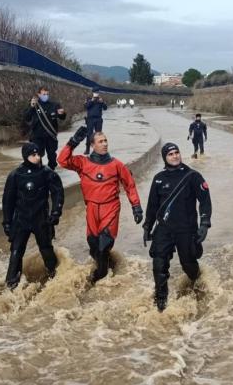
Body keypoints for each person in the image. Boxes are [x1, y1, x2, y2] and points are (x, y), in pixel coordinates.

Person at [58, 126, 143, 283]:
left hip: (110, 208)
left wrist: (136, 207)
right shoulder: (82, 163)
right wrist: (73, 142)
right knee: (94, 248)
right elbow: (62, 161)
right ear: (92, 145)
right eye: (100, 141)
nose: (104, 144)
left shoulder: (117, 165)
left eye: (106, 141)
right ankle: (107, 266)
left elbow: (130, 185)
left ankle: (98, 278)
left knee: (103, 247)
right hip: (91, 208)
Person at [142, 143, 212, 311]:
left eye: (176, 153)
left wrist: (204, 224)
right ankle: (161, 301)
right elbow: (152, 205)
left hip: (186, 229)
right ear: (165, 158)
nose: (175, 156)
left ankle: (198, 285)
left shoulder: (193, 176)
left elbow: (205, 201)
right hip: (164, 229)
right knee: (158, 264)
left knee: (188, 264)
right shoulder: (158, 178)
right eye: (170, 154)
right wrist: (147, 226)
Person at [2, 142, 65, 288]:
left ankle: (55, 279)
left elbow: (58, 192)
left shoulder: (46, 172)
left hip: (40, 219)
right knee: (16, 252)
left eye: (38, 154)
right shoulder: (15, 175)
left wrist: (56, 212)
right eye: (33, 155)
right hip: (21, 220)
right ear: (25, 156)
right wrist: (6, 222)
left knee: (46, 249)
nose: (37, 157)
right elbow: (7, 201)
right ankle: (11, 284)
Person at [24, 86, 66, 169]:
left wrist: (62, 113)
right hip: (37, 135)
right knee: (37, 154)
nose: (45, 96)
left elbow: (62, 117)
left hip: (50, 135)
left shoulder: (54, 105)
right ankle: (39, 171)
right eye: (43, 94)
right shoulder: (34, 105)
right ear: (39, 94)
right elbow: (27, 118)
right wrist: (32, 107)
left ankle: (52, 169)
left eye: (47, 94)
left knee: (52, 155)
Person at [84, 89, 107, 154]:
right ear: (92, 92)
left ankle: (98, 149)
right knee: (89, 134)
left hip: (98, 119)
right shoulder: (88, 99)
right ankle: (87, 149)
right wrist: (92, 100)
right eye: (95, 92)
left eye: (97, 92)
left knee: (98, 135)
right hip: (90, 119)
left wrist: (102, 102)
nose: (96, 93)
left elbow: (105, 108)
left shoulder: (101, 99)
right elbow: (86, 106)